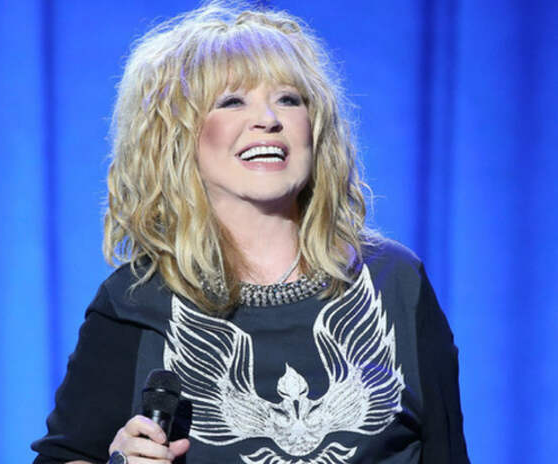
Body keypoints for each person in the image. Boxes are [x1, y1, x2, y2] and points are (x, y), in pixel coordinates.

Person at [32, 2, 470, 463]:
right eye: (232, 101)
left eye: (289, 99)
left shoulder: (394, 282)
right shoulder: (136, 300)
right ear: (177, 137)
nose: (269, 119)